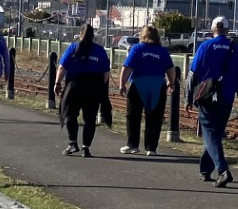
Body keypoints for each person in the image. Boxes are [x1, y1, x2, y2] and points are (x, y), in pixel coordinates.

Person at [188, 14, 238, 188]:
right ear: (227, 30)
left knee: (210, 134)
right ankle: (205, 170)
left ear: (212, 29)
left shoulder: (205, 46)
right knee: (213, 134)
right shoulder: (234, 49)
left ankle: (223, 170)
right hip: (227, 98)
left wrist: (187, 98)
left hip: (206, 97)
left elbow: (193, 75)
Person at [119, 23, 177, 156]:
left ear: (142, 35)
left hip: (138, 83)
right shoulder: (162, 51)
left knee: (133, 115)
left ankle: (132, 145)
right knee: (154, 117)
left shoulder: (137, 48)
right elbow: (171, 69)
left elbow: (127, 67)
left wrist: (122, 84)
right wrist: (171, 83)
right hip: (157, 84)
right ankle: (151, 148)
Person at [54, 22, 112, 156]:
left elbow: (62, 67)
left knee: (70, 114)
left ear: (80, 34)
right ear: (93, 36)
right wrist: (100, 86)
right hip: (93, 86)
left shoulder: (73, 47)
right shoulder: (99, 50)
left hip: (74, 85)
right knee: (90, 118)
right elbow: (106, 72)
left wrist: (57, 83)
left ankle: (72, 143)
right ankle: (86, 148)